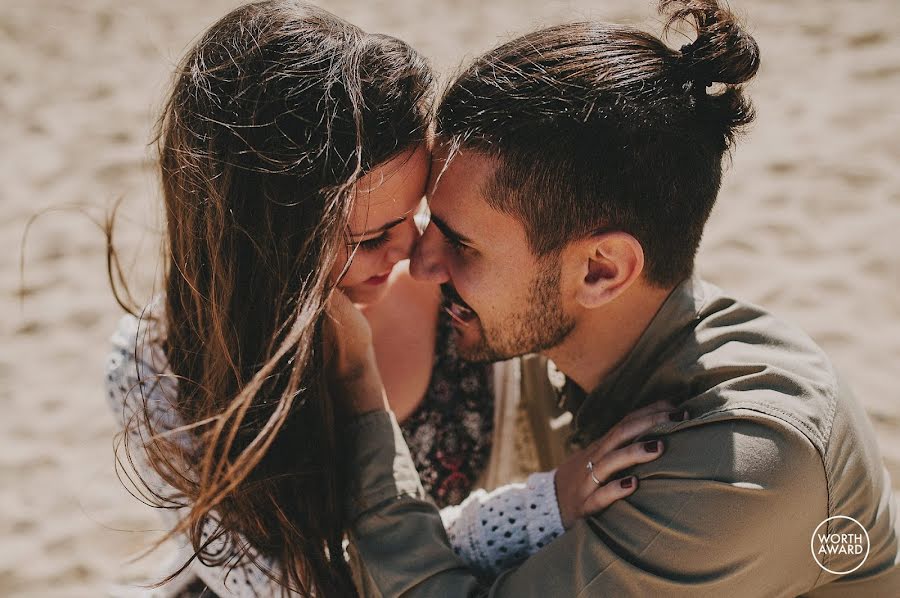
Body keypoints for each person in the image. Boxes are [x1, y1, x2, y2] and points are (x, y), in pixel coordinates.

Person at [330, 0, 900, 595]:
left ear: (603, 270)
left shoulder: (743, 464)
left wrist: (357, 385)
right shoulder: (604, 348)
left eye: (462, 245)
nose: (422, 264)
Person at [103, 1, 668, 596]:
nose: (415, 253)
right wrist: (542, 505)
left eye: (417, 211)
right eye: (370, 237)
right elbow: (295, 587)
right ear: (261, 246)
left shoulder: (473, 305)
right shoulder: (152, 368)